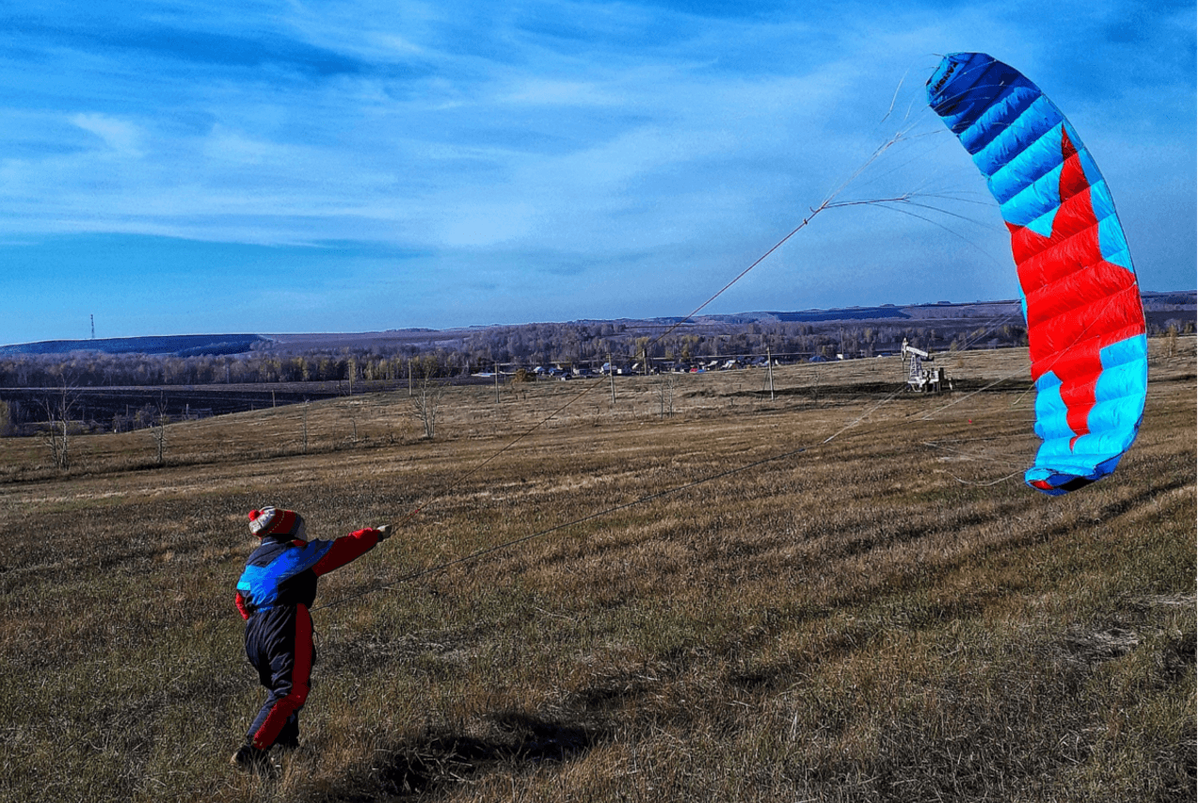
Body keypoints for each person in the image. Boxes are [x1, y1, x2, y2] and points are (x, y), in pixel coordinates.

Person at [230, 506, 392, 771]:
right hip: (285, 622)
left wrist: (260, 623)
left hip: (254, 633)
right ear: (288, 530)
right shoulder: (296, 553)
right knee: (291, 691)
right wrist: (375, 535)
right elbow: (344, 547)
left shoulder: (253, 562)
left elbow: (240, 600)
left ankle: (285, 750)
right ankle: (253, 750)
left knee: (278, 691)